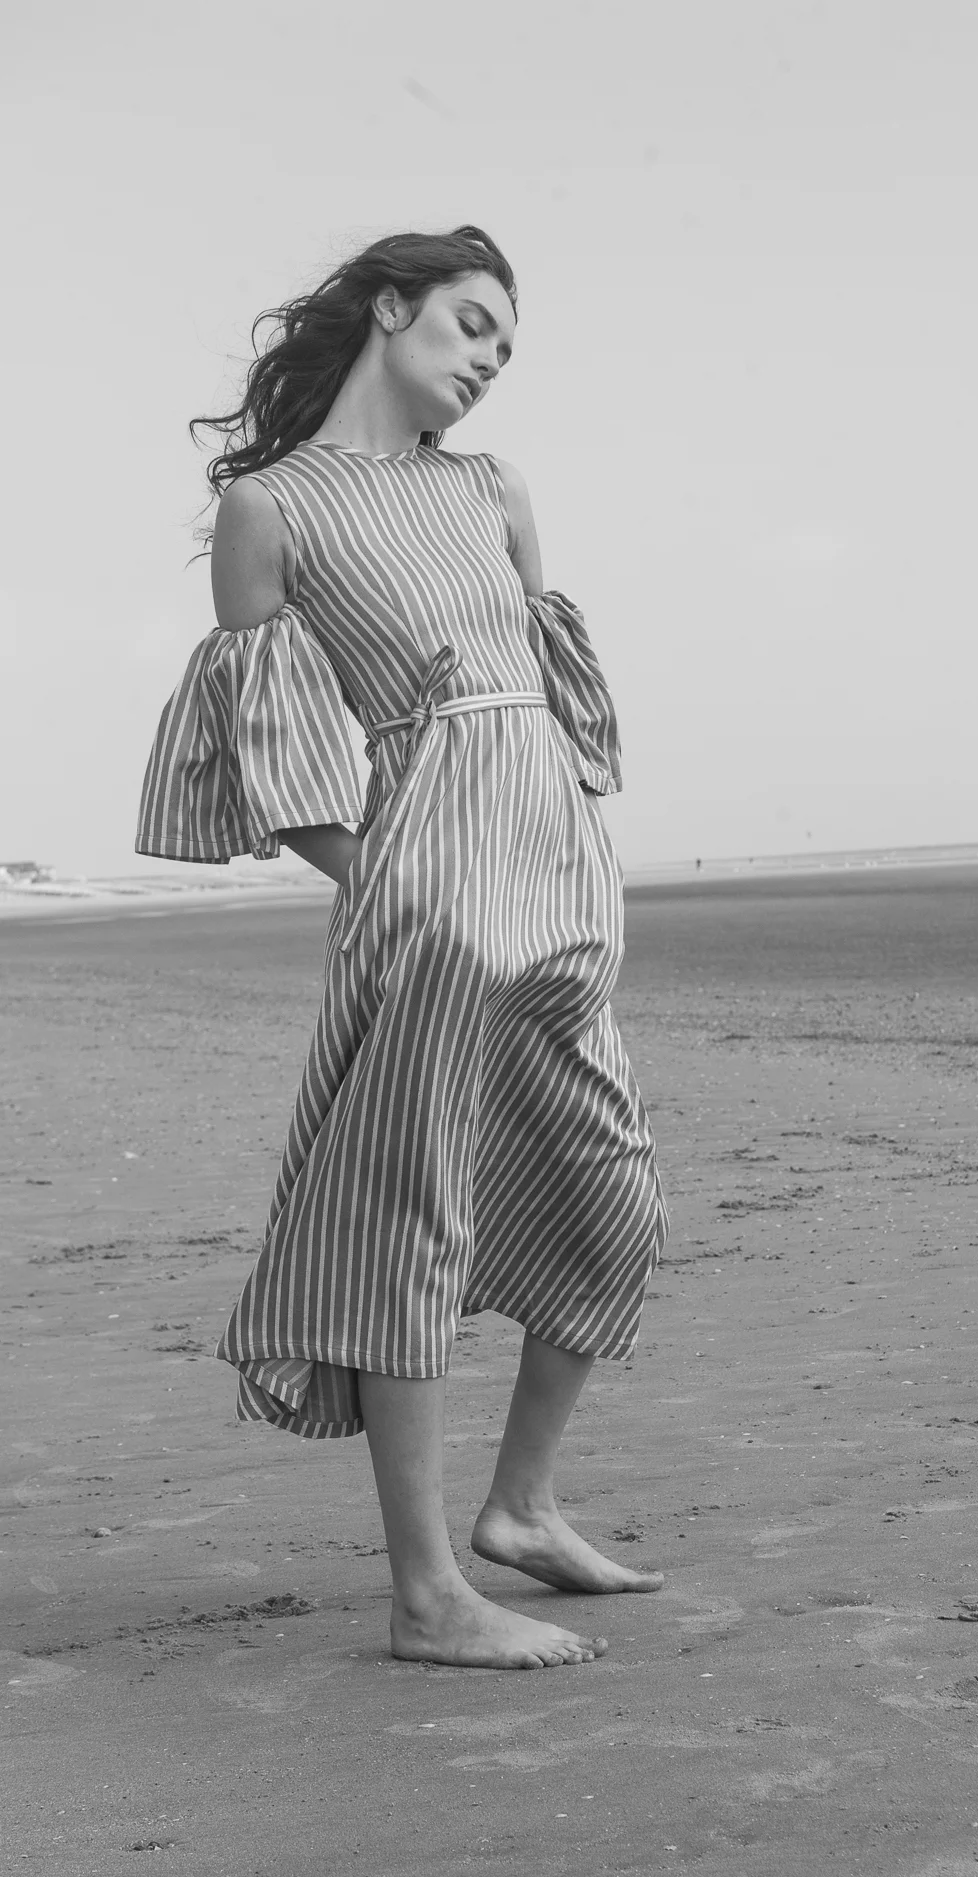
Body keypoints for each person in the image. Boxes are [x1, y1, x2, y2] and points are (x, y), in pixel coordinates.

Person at [136, 227, 669, 1669]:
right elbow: (265, 736)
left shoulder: (493, 489)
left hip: (557, 879)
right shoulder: (270, 509)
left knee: (612, 1193)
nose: (492, 359)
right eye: (472, 323)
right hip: (426, 893)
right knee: (408, 1214)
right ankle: (427, 1595)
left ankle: (522, 1509)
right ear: (391, 308)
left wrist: (571, 858)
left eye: (509, 344)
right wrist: (390, 878)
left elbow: (551, 695)